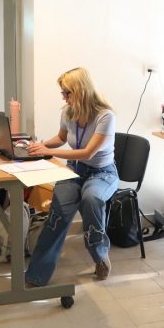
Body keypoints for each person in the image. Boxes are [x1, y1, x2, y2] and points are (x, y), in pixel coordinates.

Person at [25, 67, 119, 285]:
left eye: (67, 92)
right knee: (57, 216)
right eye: (63, 92)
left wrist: (49, 152)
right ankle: (37, 275)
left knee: (91, 199)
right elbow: (60, 138)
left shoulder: (105, 116)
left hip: (102, 173)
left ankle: (99, 255)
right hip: (74, 170)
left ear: (81, 90)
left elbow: (88, 153)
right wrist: (39, 146)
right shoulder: (68, 112)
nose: (64, 97)